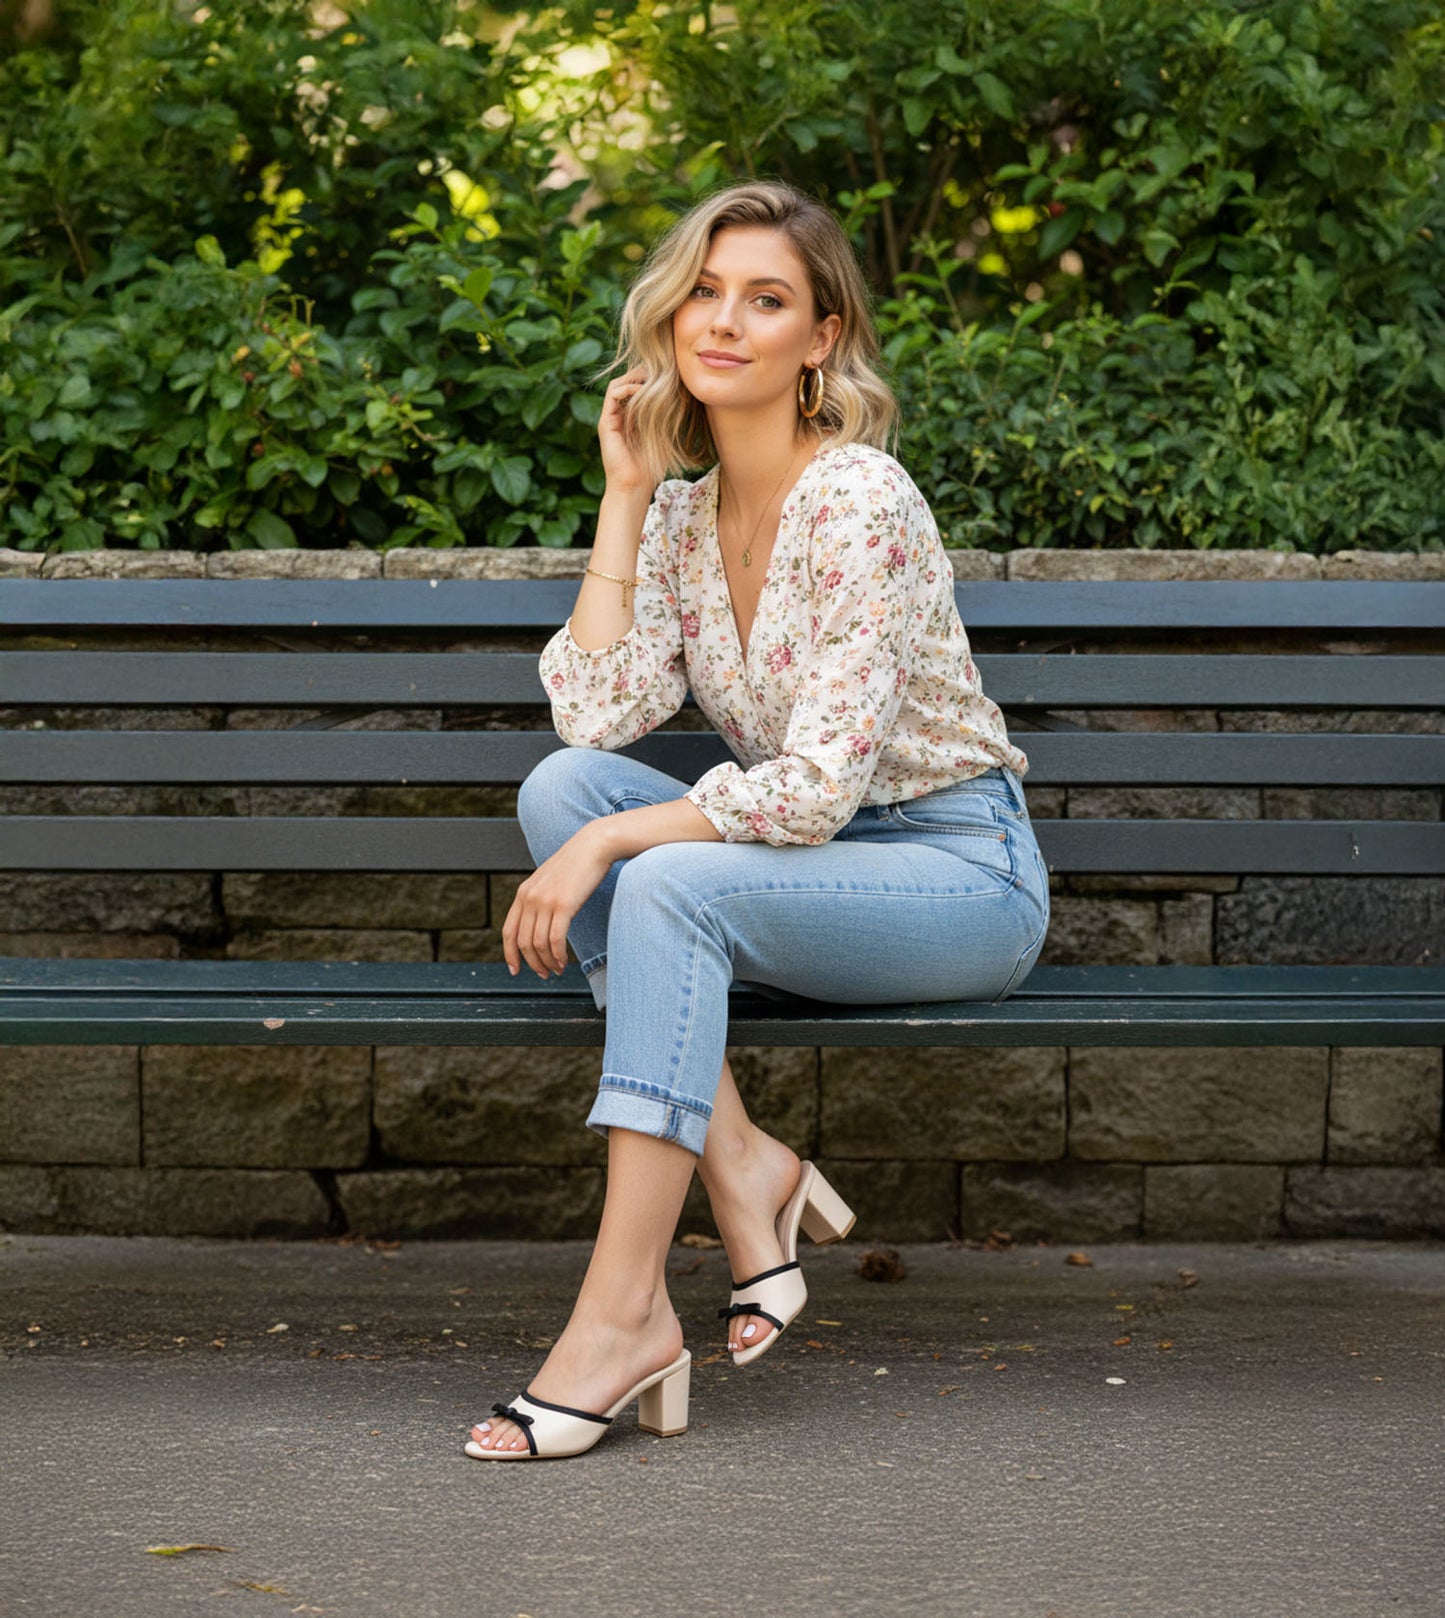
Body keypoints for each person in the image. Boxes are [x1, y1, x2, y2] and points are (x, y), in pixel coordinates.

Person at [466, 180, 1050, 1461]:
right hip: (813, 856)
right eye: (706, 292)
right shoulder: (679, 514)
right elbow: (594, 717)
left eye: (766, 299)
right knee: (558, 792)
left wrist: (622, 840)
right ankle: (742, 1164)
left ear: (821, 335)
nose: (722, 321)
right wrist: (624, 496)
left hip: (956, 870)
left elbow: (817, 785)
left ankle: (621, 1315)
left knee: (651, 868)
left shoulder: (861, 502)